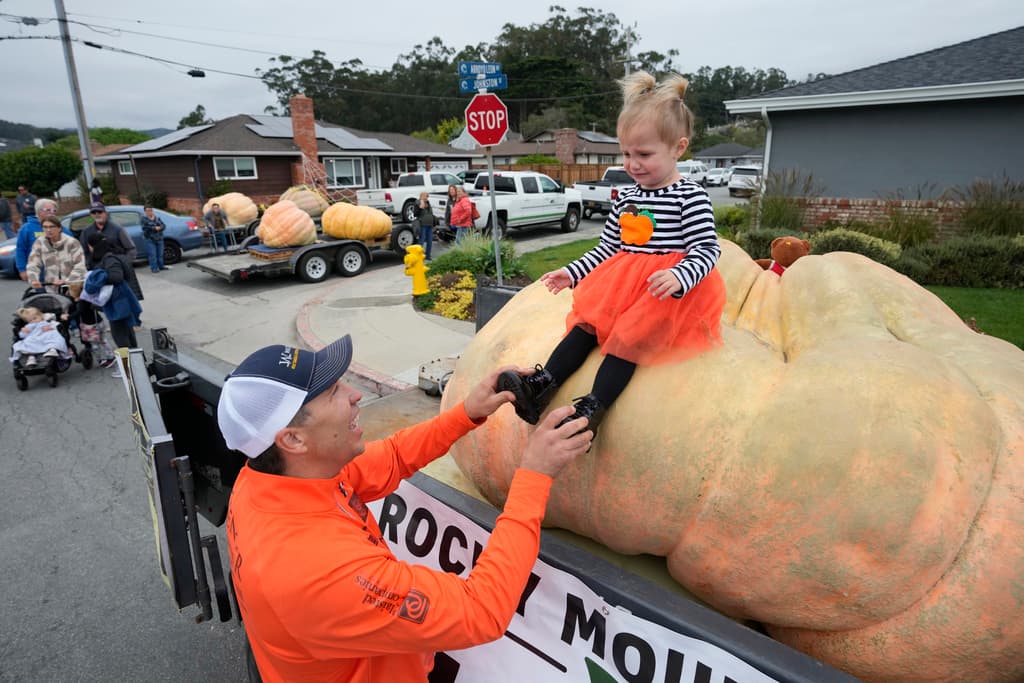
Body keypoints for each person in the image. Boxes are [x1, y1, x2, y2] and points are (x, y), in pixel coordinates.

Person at [219, 336, 592, 682]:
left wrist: (467, 413)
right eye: (334, 392)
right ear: (294, 439)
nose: (354, 395)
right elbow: (480, 611)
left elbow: (394, 456)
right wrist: (534, 476)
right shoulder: (316, 572)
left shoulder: (269, 479)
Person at [496, 71, 727, 437]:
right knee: (585, 326)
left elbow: (707, 249)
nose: (632, 164)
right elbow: (608, 249)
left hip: (661, 292)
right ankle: (542, 385)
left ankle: (593, 407)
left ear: (678, 148)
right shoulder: (628, 196)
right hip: (620, 285)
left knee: (627, 340)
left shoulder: (690, 196)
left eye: (644, 154)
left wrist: (680, 276)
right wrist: (573, 272)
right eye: (626, 153)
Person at [84, 234, 143, 370]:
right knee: (127, 333)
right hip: (121, 301)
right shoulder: (112, 256)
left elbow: (116, 276)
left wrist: (98, 276)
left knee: (120, 335)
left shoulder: (109, 259)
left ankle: (130, 368)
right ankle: (137, 364)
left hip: (118, 302)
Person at [26, 216, 87, 292]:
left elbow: (80, 265)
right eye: (45, 227)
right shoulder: (39, 243)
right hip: (52, 286)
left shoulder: (72, 243)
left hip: (73, 286)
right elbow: (33, 263)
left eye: (52, 227)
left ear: (59, 228)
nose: (48, 230)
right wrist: (33, 279)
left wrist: (66, 280)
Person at [16, 198, 65, 281]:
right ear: (39, 211)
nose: (52, 213)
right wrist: (22, 270)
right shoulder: (27, 228)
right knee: (43, 294)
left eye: (54, 210)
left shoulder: (62, 228)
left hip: (60, 272)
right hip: (38, 272)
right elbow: (20, 249)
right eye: (48, 210)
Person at [79, 202, 136, 269]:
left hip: (116, 268)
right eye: (94, 213)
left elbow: (131, 249)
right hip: (97, 271)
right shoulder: (86, 232)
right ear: (91, 215)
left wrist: (124, 264)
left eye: (100, 212)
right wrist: (88, 266)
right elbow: (83, 252)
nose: (97, 215)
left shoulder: (117, 229)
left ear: (105, 213)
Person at [140, 205, 170, 272]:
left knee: (160, 254)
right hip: (149, 239)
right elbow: (145, 227)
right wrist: (154, 228)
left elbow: (163, 226)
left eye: (150, 210)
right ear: (145, 211)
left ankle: (161, 266)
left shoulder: (157, 218)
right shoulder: (143, 219)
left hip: (159, 238)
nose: (149, 212)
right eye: (147, 211)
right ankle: (154, 268)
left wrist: (160, 227)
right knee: (152, 255)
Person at [413, 191, 436, 260]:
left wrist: (433, 224)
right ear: (422, 196)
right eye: (426, 196)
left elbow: (431, 214)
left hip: (430, 225)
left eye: (427, 196)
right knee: (421, 241)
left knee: (430, 241)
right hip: (423, 225)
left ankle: (428, 256)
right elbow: (416, 212)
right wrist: (421, 204)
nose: (427, 197)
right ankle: (419, 256)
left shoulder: (428, 203)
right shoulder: (418, 202)